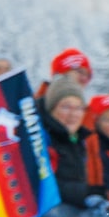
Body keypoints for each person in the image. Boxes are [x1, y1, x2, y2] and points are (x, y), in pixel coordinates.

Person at [41, 78, 93, 209]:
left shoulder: (79, 142)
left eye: (79, 108)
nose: (73, 114)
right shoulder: (42, 139)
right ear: (51, 109)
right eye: (66, 106)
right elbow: (41, 184)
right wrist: (85, 193)